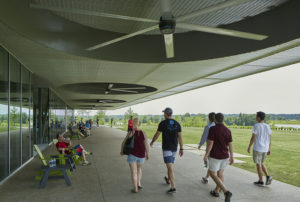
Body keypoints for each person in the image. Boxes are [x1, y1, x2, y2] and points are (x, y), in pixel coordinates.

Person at [150, 107, 183, 194]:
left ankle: (173, 187)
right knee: (170, 166)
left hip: (167, 148)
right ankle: (168, 179)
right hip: (174, 148)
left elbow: (157, 134)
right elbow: (180, 137)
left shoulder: (163, 123)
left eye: (164, 113)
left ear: (165, 114)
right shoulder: (177, 124)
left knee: (170, 167)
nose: (163, 114)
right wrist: (181, 148)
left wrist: (152, 142)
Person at [203, 113, 233, 202]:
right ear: (223, 119)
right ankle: (216, 191)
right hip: (225, 156)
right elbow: (230, 145)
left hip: (215, 156)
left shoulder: (213, 129)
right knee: (220, 173)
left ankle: (226, 191)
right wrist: (232, 156)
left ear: (215, 120)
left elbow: (211, 143)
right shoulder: (228, 130)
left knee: (212, 174)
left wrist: (206, 155)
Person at [120, 118, 149, 193]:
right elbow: (146, 145)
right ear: (140, 124)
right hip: (141, 155)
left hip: (132, 154)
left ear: (133, 123)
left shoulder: (130, 132)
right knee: (139, 170)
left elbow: (123, 142)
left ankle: (135, 188)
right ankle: (139, 183)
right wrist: (147, 154)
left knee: (134, 172)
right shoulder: (144, 133)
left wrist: (122, 151)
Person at [247, 111, 272, 187]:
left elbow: (253, 137)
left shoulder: (256, 126)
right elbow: (269, 137)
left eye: (256, 116)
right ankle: (268, 176)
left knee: (258, 164)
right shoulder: (267, 126)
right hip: (265, 148)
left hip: (258, 148)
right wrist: (269, 148)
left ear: (258, 117)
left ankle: (261, 181)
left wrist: (249, 146)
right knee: (261, 163)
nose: (255, 117)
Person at [198, 112, 216, 184]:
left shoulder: (208, 127)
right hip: (217, 148)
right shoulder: (217, 126)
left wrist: (200, 144)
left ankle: (218, 183)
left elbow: (204, 137)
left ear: (209, 118)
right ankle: (207, 177)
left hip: (210, 148)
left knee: (212, 165)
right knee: (212, 165)